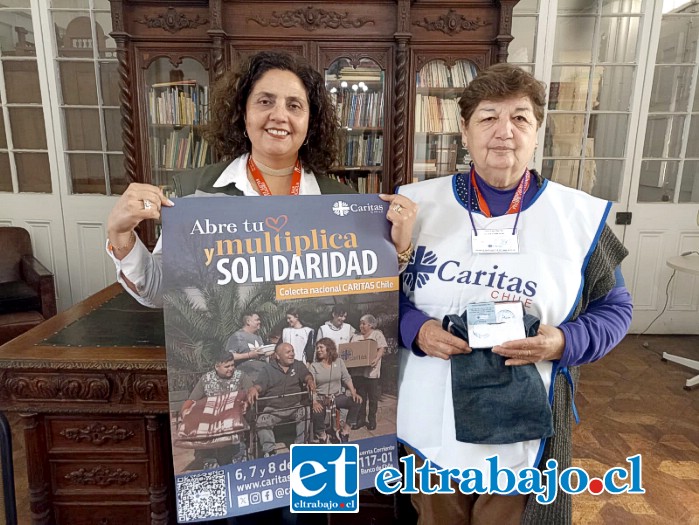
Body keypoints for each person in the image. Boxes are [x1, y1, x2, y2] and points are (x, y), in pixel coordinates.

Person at [396, 63, 633, 525]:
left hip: (525, 419)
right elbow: (373, 294)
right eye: (488, 118)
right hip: (432, 412)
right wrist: (416, 328)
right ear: (464, 131)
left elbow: (615, 307)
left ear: (537, 131)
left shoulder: (578, 218)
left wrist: (564, 342)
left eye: (520, 118)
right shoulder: (413, 205)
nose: (504, 132)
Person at [104, 50, 417, 309]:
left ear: (310, 122)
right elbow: (160, 292)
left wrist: (399, 247)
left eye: (294, 105)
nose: (280, 115)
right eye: (265, 101)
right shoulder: (195, 195)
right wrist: (120, 236)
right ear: (242, 113)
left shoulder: (341, 201)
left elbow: (364, 290)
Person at [179, 350, 254, 468]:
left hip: (234, 417)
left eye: (232, 365)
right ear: (217, 366)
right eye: (226, 366)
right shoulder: (206, 379)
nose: (231, 368)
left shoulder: (241, 376)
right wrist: (185, 411)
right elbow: (192, 399)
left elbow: (250, 391)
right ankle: (209, 460)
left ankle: (238, 458)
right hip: (212, 419)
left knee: (235, 430)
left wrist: (246, 403)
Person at [247, 342, 316, 458]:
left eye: (293, 351)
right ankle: (270, 450)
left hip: (294, 406)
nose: (292, 354)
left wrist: (310, 381)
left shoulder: (298, 365)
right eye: (288, 352)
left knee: (306, 412)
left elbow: (307, 375)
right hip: (274, 408)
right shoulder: (268, 369)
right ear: (278, 356)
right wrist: (254, 389)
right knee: (261, 421)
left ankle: (300, 446)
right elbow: (260, 385)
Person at [308, 337, 362, 443]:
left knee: (356, 401)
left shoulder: (339, 362)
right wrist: (314, 401)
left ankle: (345, 431)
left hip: (336, 396)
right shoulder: (314, 366)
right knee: (317, 411)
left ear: (329, 348)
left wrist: (353, 392)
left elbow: (346, 377)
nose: (318, 350)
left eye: (321, 347)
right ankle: (322, 435)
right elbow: (312, 385)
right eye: (317, 348)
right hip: (320, 397)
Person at [349, 314, 388, 431]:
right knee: (361, 397)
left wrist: (376, 359)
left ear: (370, 325)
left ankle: (372, 420)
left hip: (372, 372)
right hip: (358, 372)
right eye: (360, 323)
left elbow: (381, 348)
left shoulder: (377, 334)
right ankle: (361, 420)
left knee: (372, 398)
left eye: (363, 323)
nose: (361, 326)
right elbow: (351, 351)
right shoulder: (356, 336)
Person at [224, 312, 267, 382]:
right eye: (257, 320)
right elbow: (229, 356)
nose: (259, 322)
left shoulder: (259, 337)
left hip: (262, 377)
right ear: (248, 321)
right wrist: (249, 355)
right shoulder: (237, 336)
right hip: (247, 379)